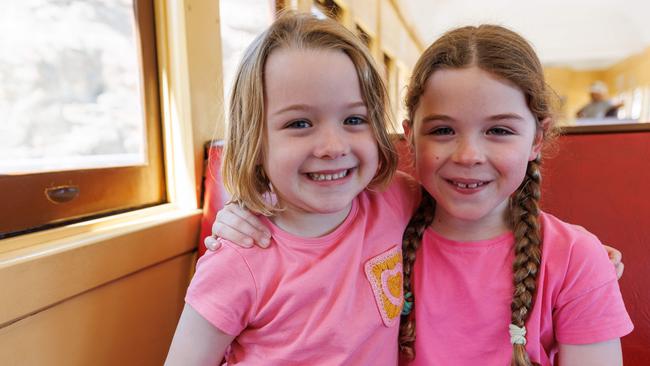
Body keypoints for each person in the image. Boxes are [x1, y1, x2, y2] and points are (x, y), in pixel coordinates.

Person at [208, 24, 632, 366]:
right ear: (410, 137)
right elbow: (301, 211)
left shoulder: (575, 260)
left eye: (499, 130)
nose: (468, 155)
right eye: (442, 130)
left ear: (536, 139)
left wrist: (589, 258)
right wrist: (243, 211)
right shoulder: (378, 209)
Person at [165, 12, 420, 365]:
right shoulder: (239, 257)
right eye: (299, 123)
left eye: (354, 120)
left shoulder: (394, 199)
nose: (333, 146)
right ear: (255, 143)